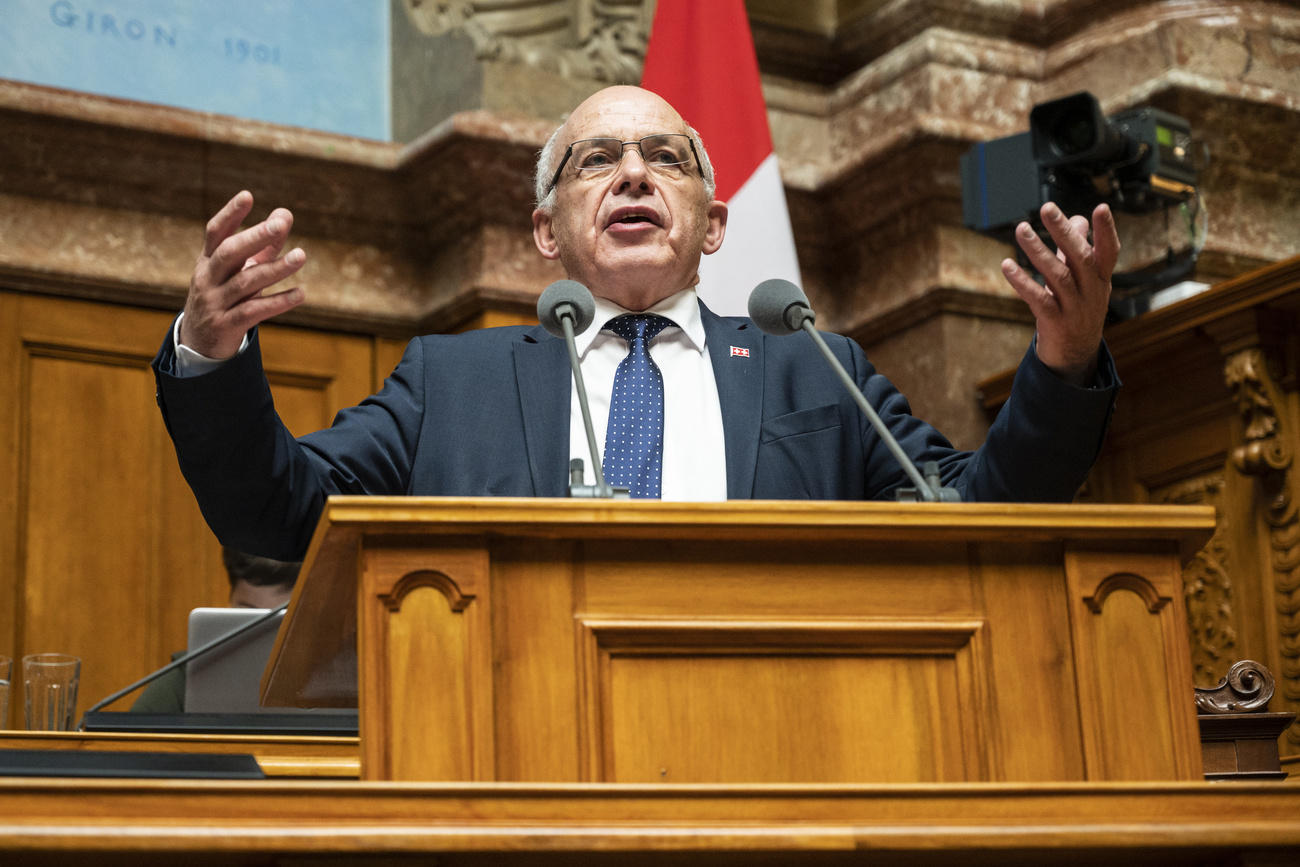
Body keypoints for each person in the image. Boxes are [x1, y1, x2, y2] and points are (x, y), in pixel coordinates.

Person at [152, 86, 1120, 562]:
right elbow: (275, 519)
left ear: (714, 223)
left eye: (665, 157)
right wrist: (211, 354)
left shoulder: (811, 368)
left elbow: (977, 517)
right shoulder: (450, 383)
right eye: (595, 159)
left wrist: (1064, 363)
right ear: (546, 230)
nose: (631, 174)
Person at [129, 548, 300, 713]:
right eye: (250, 615)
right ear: (230, 602)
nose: (265, 636)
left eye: (281, 621)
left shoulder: (325, 685)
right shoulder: (186, 683)